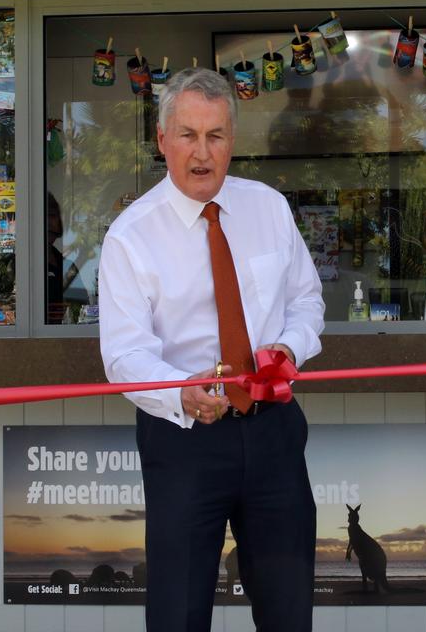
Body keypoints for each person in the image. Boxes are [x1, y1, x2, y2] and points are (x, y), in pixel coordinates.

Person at [98, 67, 324, 632]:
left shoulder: (269, 208)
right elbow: (124, 354)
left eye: (215, 136)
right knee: (178, 613)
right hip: (185, 441)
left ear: (232, 140)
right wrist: (180, 390)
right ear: (161, 140)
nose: (202, 153)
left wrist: (288, 349)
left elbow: (308, 301)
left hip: (273, 431)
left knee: (289, 610)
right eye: (188, 135)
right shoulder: (130, 235)